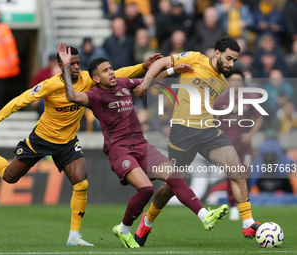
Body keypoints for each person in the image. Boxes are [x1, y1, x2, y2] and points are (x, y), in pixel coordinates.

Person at [0, 45, 162, 246]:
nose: (76, 67)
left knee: (81, 182)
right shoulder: (49, 85)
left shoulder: (87, 80)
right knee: (10, 177)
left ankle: (74, 236)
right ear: (60, 65)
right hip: (41, 140)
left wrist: (143, 66)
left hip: (67, 143)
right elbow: (19, 101)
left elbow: (119, 73)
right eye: (71, 64)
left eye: (78, 63)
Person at [58, 42, 229, 248]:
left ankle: (204, 216)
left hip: (141, 145)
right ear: (96, 78)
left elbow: (149, 82)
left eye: (111, 68)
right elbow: (71, 96)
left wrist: (174, 69)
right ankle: (124, 229)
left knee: (175, 178)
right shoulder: (95, 96)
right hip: (120, 151)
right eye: (105, 71)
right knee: (146, 189)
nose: (111, 73)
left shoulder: (122, 83)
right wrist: (67, 68)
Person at [133, 36, 262, 245]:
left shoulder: (222, 83)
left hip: (208, 131)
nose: (231, 64)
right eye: (228, 58)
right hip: (182, 132)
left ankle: (248, 223)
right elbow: (160, 63)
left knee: (237, 169)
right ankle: (146, 222)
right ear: (217, 53)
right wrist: (146, 84)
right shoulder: (194, 58)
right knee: (174, 183)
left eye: (234, 61)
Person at [214, 69, 263, 220]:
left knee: (244, 176)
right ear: (228, 82)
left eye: (239, 80)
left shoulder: (250, 99)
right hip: (228, 144)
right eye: (233, 80)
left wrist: (250, 134)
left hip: (244, 145)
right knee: (232, 175)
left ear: (243, 83)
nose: (236, 83)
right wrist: (219, 132)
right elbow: (213, 120)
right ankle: (234, 207)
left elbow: (259, 118)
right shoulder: (220, 100)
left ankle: (243, 206)